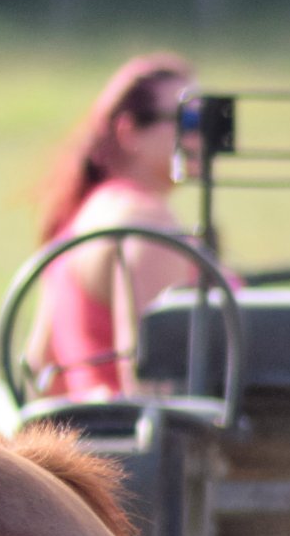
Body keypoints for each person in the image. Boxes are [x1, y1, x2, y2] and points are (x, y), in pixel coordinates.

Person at [27, 53, 205, 399]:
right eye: (186, 119)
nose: (199, 136)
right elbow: (150, 386)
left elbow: (41, 369)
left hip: (92, 427)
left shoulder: (83, 213)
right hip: (133, 431)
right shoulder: (146, 223)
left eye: (203, 119)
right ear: (129, 131)